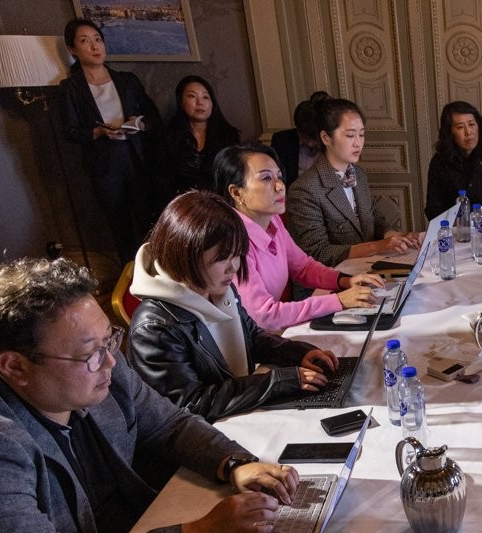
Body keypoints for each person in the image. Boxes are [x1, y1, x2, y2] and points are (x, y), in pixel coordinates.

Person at [0, 257, 298, 533]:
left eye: (109, 340)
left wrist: (234, 464)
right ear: (15, 368)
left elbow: (169, 423)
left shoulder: (104, 369)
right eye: (90, 354)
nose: (110, 362)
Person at [128, 191, 342, 422]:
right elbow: (190, 404)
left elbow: (252, 337)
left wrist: (298, 353)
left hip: (234, 417)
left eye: (237, 255)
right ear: (186, 253)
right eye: (222, 258)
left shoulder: (214, 288)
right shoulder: (154, 326)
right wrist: (278, 381)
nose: (234, 268)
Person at [214, 143, 385, 331]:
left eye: (279, 177)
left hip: (268, 334)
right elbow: (265, 315)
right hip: (242, 346)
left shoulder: (273, 221)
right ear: (237, 193)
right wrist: (339, 300)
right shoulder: (233, 242)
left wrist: (344, 280)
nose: (279, 186)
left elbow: (303, 267)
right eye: (266, 178)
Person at [59, 18, 161, 265]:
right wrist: (98, 132)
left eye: (97, 39)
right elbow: (70, 131)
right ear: (73, 49)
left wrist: (138, 123)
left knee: (150, 219)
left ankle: (161, 273)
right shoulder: (70, 88)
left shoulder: (126, 80)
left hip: (135, 157)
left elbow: (153, 116)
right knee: (120, 225)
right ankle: (131, 281)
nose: (94, 46)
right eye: (84, 41)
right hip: (105, 164)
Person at [287, 97, 421, 266]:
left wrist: (396, 236)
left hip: (367, 265)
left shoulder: (357, 173)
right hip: (332, 277)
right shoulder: (305, 190)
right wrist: (377, 246)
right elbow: (318, 252)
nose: (358, 143)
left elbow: (373, 217)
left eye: (362, 134)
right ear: (326, 138)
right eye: (350, 135)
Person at [423, 100, 482, 222]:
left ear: (479, 126)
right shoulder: (439, 162)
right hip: (457, 232)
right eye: (460, 127)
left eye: (472, 124)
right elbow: (433, 208)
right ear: (450, 132)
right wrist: (453, 226)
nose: (468, 132)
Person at [163, 75, 241, 197]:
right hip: (182, 206)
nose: (200, 102)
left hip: (220, 204)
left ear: (212, 103)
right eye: (192, 96)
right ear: (181, 103)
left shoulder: (228, 136)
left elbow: (234, 177)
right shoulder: (168, 137)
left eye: (205, 97)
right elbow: (163, 181)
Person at [270, 91, 330, 189]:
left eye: (315, 139)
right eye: (305, 137)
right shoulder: (282, 141)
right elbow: (276, 178)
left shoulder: (334, 143)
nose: (310, 144)